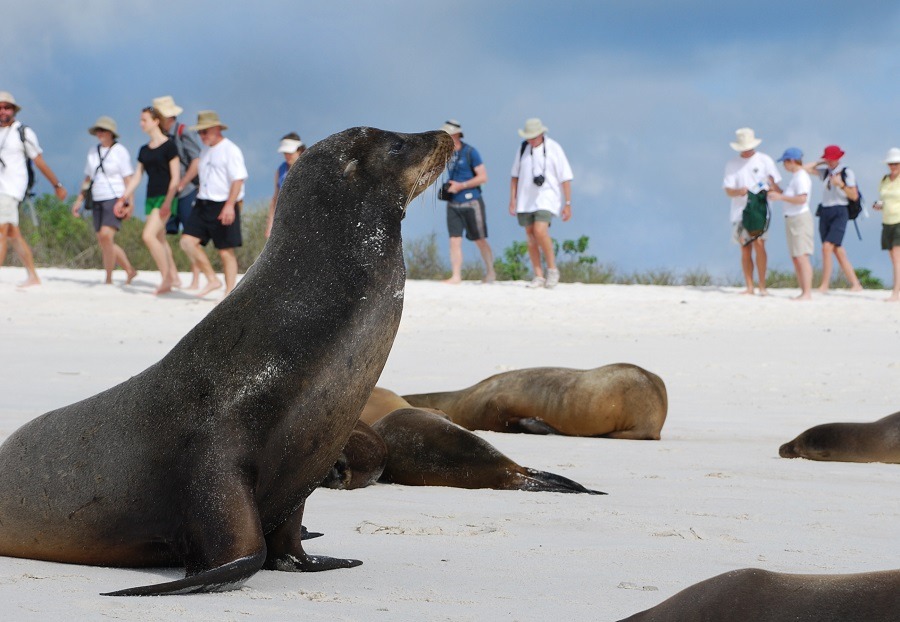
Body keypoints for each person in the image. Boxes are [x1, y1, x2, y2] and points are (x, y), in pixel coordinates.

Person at [0, 91, 67, 287]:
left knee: (2, 230)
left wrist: (57, 185)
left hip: (12, 189)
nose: (3, 111)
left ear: (14, 110)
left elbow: (39, 161)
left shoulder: (23, 132)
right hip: (1, 189)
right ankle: (33, 276)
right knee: (13, 234)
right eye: (0, 107)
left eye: (7, 107)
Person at [180, 110, 247, 298]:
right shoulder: (205, 150)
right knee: (187, 242)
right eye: (200, 132)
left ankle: (229, 292)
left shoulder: (231, 149)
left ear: (217, 129)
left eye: (205, 131)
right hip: (203, 202)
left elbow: (238, 179)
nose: (202, 136)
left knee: (225, 251)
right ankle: (212, 279)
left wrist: (229, 205)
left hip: (224, 203)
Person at [115, 106, 181, 295]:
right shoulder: (144, 150)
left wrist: (168, 201)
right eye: (140, 120)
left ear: (156, 121)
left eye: (144, 120)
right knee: (160, 238)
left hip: (165, 197)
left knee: (148, 236)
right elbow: (137, 176)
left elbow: (175, 178)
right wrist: (124, 197)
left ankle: (166, 278)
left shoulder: (170, 145)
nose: (141, 123)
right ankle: (173, 276)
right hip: (151, 198)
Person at [71, 116, 138, 285]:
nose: (99, 134)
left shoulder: (120, 151)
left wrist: (130, 203)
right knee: (103, 240)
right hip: (97, 198)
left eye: (103, 130)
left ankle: (109, 278)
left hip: (115, 198)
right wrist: (79, 199)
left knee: (106, 236)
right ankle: (128, 270)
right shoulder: (93, 151)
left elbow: (128, 179)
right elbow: (88, 178)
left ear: (111, 133)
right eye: (98, 131)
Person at [508, 117, 573, 289]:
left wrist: (567, 203)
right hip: (525, 200)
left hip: (547, 198)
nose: (531, 139)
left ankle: (552, 269)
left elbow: (565, 177)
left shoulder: (554, 148)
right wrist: (512, 199)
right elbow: (514, 176)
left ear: (542, 133)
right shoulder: (523, 149)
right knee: (530, 236)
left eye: (533, 136)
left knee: (540, 230)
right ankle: (538, 275)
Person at [722, 127, 782, 296]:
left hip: (761, 210)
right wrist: (738, 191)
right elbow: (728, 190)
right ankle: (749, 286)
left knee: (760, 244)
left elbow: (776, 183)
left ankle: (762, 285)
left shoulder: (764, 160)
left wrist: (769, 188)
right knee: (745, 247)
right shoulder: (732, 164)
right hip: (740, 210)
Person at [154, 95, 202, 289]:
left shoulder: (184, 132)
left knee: (189, 236)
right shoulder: (162, 136)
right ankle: (172, 275)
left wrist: (182, 183)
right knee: (161, 233)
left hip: (187, 191)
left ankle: (196, 278)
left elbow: (196, 162)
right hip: (169, 193)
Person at [439, 120, 495, 284]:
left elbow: (483, 177)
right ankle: (456, 275)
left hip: (472, 201)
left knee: (479, 239)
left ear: (456, 134)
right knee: (454, 240)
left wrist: (461, 186)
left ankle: (490, 272)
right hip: (453, 203)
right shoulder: (447, 153)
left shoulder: (471, 152)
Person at [802, 145, 863, 293]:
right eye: (828, 158)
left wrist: (840, 184)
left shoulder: (846, 172)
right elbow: (804, 169)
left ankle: (824, 284)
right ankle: (856, 284)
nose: (829, 161)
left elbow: (854, 195)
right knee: (837, 250)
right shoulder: (826, 172)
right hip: (825, 210)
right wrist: (820, 162)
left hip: (840, 210)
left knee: (827, 248)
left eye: (831, 158)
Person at [768, 147, 813, 300]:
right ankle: (803, 291)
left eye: (785, 162)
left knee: (802, 256)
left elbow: (802, 199)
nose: (784, 166)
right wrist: (775, 187)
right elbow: (789, 195)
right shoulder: (796, 177)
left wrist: (780, 198)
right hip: (791, 218)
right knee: (795, 256)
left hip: (800, 218)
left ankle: (807, 292)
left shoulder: (801, 177)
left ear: (792, 161)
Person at [266, 132, 305, 238]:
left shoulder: (309, 168)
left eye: (290, 152)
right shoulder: (280, 170)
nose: (287, 156)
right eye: (285, 152)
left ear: (299, 150)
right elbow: (275, 198)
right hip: (286, 220)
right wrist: (270, 225)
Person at [873, 147, 900, 301]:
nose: (893, 166)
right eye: (891, 163)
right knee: (893, 257)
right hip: (887, 221)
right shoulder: (884, 180)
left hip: (899, 220)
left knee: (897, 256)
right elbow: (883, 199)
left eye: (896, 163)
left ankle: (895, 292)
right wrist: (878, 205)